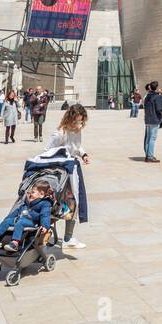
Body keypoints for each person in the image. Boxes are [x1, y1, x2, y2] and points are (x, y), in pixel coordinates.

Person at [46, 103, 90, 248]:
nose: (79, 124)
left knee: (74, 202)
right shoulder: (60, 133)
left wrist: (83, 154)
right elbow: (48, 151)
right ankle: (44, 232)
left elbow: (76, 147)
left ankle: (68, 238)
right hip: (61, 172)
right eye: (76, 121)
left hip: (74, 168)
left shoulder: (77, 131)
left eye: (81, 121)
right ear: (70, 119)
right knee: (58, 203)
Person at [0, 180, 55, 253]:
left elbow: (45, 215)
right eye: (30, 191)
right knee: (7, 221)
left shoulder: (45, 204)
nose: (30, 193)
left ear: (41, 194)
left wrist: (45, 226)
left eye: (33, 192)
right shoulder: (27, 201)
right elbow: (18, 211)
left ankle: (15, 243)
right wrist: (8, 217)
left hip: (31, 222)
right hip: (19, 218)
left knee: (20, 223)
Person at [142, 82, 162, 162]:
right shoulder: (157, 97)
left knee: (148, 138)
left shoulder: (147, 96)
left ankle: (147, 155)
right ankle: (150, 156)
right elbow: (159, 109)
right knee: (153, 138)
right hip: (154, 120)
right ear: (156, 87)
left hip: (147, 120)